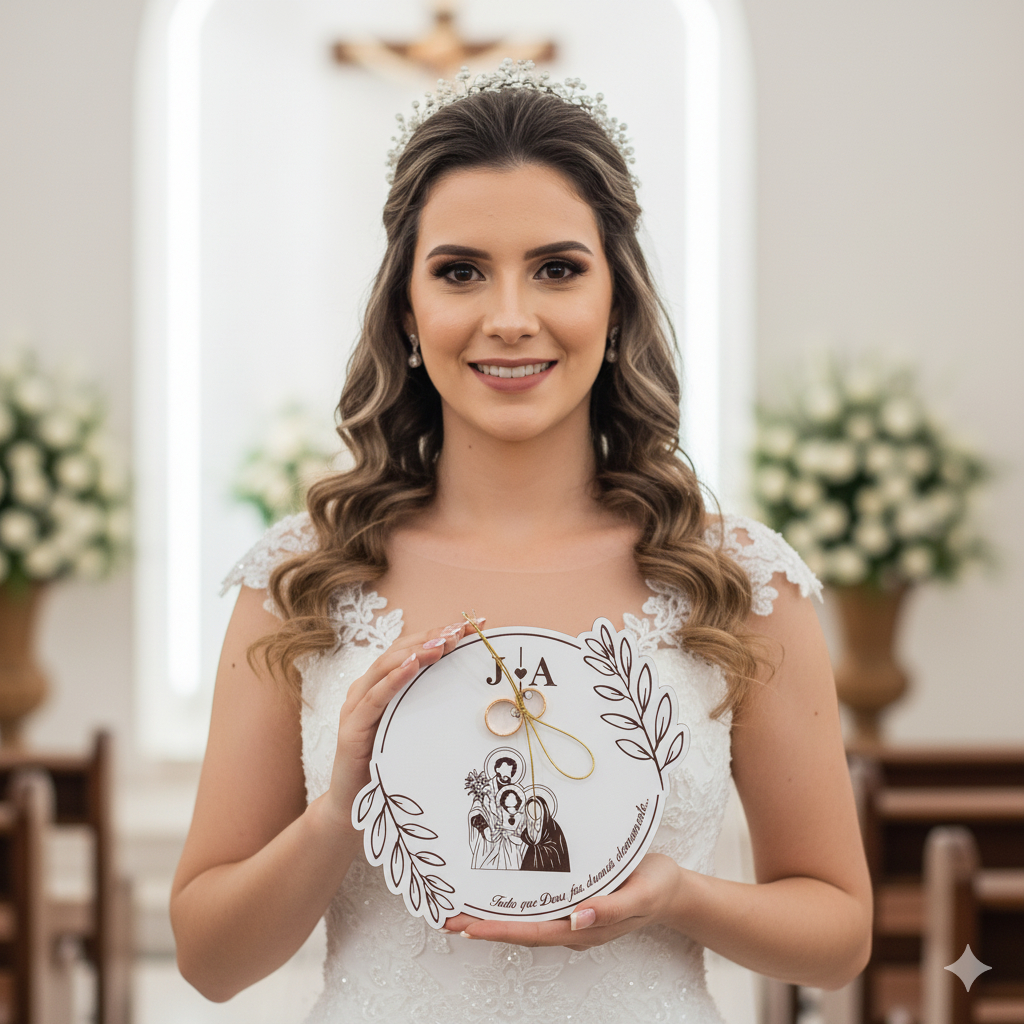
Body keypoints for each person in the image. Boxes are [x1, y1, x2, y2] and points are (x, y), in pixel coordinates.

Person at [171, 61, 871, 1023]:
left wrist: (679, 895)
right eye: (460, 272)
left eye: (557, 268)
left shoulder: (738, 584)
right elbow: (210, 962)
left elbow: (838, 936)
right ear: (407, 312)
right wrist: (341, 815)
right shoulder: (302, 582)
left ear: (615, 299)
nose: (510, 318)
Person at [521, 794, 571, 873]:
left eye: (536, 809)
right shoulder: (527, 830)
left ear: (543, 810)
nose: (534, 813)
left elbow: (555, 850)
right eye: (530, 810)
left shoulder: (553, 828)